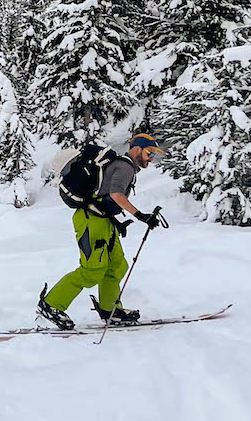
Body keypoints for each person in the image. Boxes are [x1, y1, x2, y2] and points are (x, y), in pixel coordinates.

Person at [37, 134, 169, 330]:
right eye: (150, 153)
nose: (151, 158)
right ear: (137, 149)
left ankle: (110, 310)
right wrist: (141, 216)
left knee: (116, 266)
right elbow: (116, 194)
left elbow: (104, 197)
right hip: (91, 221)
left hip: (103, 220)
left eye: (154, 155)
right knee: (92, 270)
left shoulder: (122, 166)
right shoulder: (125, 167)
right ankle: (51, 305)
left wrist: (116, 220)